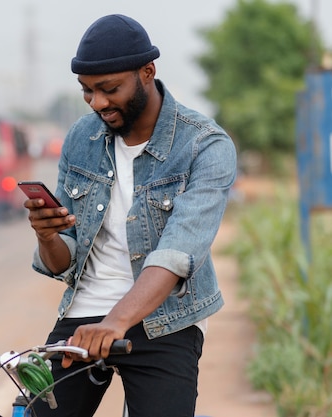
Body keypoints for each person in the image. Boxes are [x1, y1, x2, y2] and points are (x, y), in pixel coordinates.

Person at [23, 14, 237, 417]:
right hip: (84, 317)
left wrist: (116, 322)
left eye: (109, 89)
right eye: (87, 91)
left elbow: (178, 253)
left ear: (147, 72)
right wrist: (47, 236)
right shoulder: (80, 139)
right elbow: (62, 262)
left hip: (166, 321)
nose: (97, 103)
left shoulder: (205, 145)